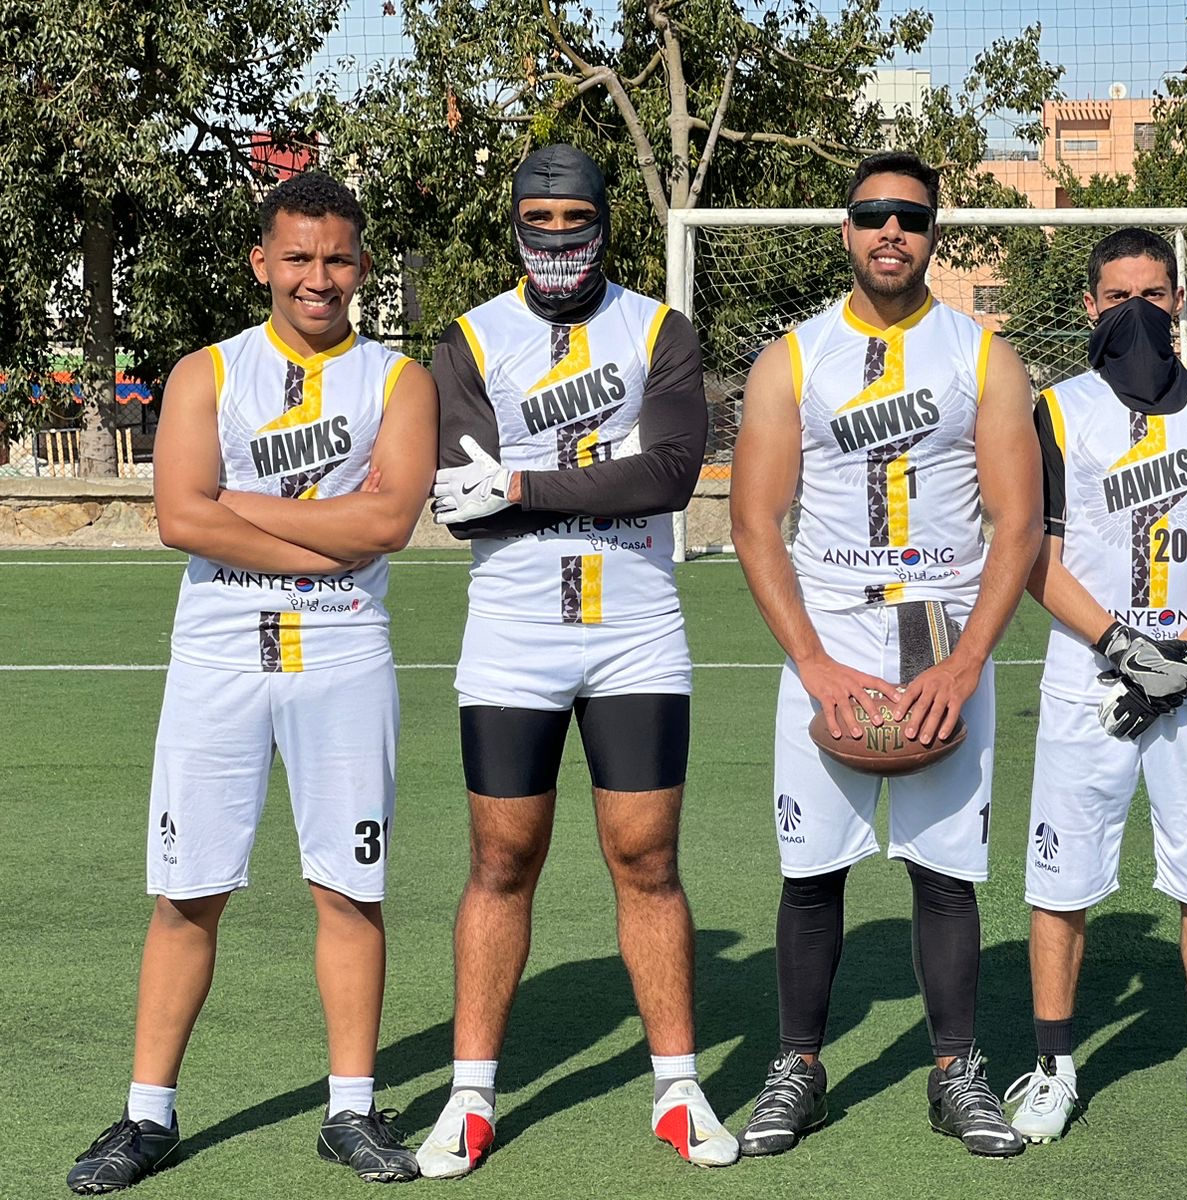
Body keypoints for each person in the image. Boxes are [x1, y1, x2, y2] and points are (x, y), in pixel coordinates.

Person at [68, 172, 437, 1193]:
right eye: (299, 257)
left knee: (348, 890)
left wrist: (239, 505)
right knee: (186, 893)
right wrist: (326, 540)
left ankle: (350, 1110)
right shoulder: (206, 372)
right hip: (218, 661)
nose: (319, 277)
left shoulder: (399, 381)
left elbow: (387, 523)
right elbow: (180, 518)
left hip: (344, 657)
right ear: (262, 262)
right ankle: (147, 1116)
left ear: (361, 266)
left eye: (338, 258)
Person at [415, 144, 735, 1176]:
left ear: (604, 221)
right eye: (538, 220)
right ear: (515, 221)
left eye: (575, 220)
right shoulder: (470, 338)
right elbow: (463, 504)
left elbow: (670, 475)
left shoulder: (659, 329)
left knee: (647, 860)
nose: (557, 238)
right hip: (512, 636)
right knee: (501, 861)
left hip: (637, 630)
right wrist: (575, 480)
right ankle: (470, 1096)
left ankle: (678, 1087)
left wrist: (522, 485)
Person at [729, 151, 1042, 1159]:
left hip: (937, 630)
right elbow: (754, 523)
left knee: (945, 872)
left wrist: (965, 663)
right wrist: (815, 665)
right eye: (871, 215)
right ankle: (798, 1067)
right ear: (846, 231)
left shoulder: (984, 357)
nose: (890, 231)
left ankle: (956, 1071)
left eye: (909, 215)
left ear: (933, 233)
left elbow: (1019, 524)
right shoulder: (793, 358)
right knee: (810, 870)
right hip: (828, 630)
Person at [1004, 228, 1187, 1145]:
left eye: (1152, 296)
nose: (1136, 313)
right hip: (1089, 680)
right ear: (1090, 307)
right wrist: (1125, 648)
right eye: (1118, 298)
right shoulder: (1057, 410)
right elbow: (1034, 558)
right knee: (1061, 879)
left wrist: (1181, 658)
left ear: (1179, 303)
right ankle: (1053, 1067)